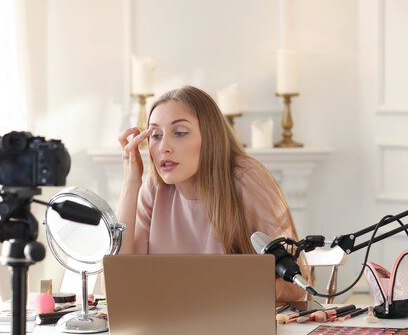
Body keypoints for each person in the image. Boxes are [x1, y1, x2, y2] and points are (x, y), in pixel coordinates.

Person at [115, 85, 306, 303]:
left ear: (210, 137)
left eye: (179, 133)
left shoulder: (246, 177)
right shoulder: (154, 189)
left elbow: (298, 285)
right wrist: (131, 182)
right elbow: (119, 281)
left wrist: (227, 293)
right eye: (156, 135)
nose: (163, 147)